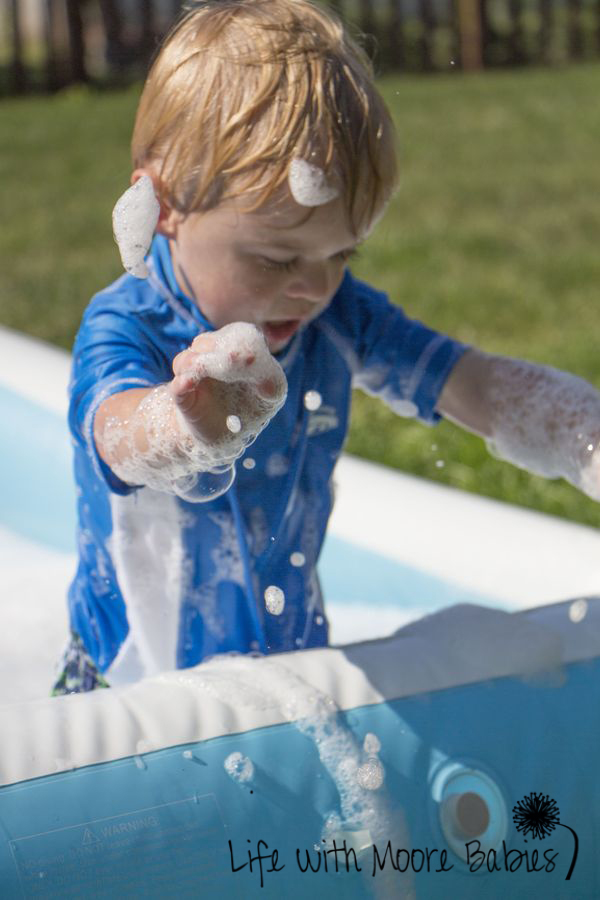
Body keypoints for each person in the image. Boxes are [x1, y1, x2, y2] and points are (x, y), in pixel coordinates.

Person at [52, 0, 600, 695]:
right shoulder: (126, 326)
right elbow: (116, 432)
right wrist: (183, 426)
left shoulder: (333, 317)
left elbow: (472, 382)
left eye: (344, 252)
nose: (314, 287)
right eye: (278, 259)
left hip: (285, 676)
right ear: (162, 209)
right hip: (126, 697)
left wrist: (586, 439)